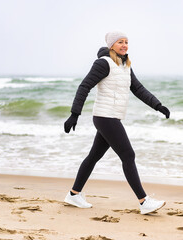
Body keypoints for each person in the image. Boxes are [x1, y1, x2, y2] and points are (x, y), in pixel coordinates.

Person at [63, 31, 170, 215]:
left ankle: (74, 194)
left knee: (93, 157)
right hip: (105, 117)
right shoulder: (103, 64)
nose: (124, 45)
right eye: (120, 42)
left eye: (126, 42)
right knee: (128, 155)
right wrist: (75, 114)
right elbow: (84, 86)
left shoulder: (125, 65)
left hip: (112, 116)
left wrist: (157, 105)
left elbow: (138, 88)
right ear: (111, 45)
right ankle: (144, 201)